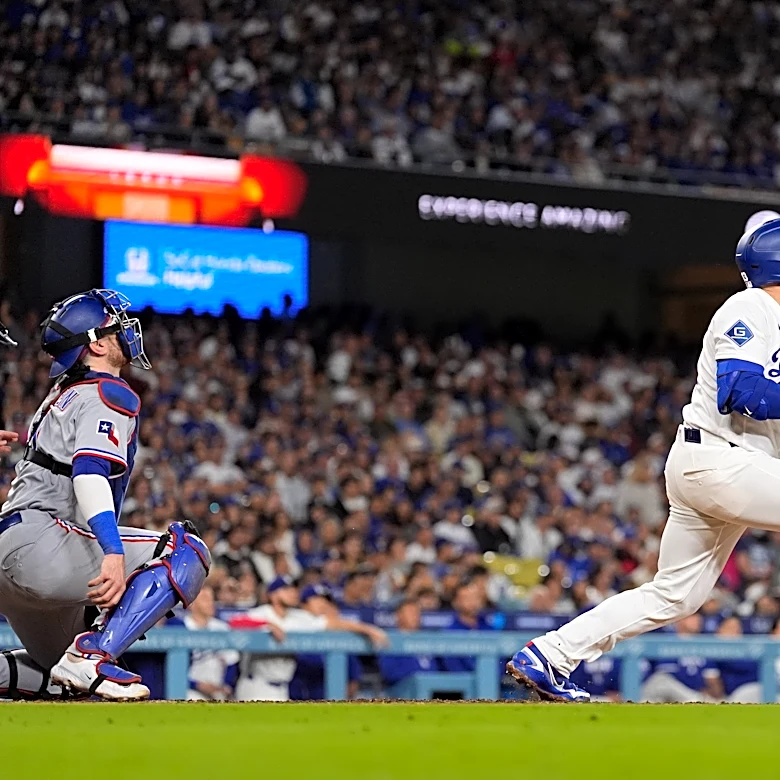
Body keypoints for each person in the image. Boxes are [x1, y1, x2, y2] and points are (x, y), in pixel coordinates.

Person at [508, 216, 780, 702]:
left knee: (677, 595)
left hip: (725, 467)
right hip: (719, 461)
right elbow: (741, 391)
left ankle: (549, 654)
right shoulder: (750, 305)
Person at [0, 289, 210, 701]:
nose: (127, 330)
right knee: (188, 550)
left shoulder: (63, 393)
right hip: (43, 544)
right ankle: (93, 654)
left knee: (66, 682)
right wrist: (112, 551)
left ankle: (77, 662)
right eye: (116, 326)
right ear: (95, 343)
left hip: (12, 551)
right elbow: (89, 474)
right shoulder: (106, 391)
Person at [231, 576, 387, 701]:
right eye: (285, 589)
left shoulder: (298, 618)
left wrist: (368, 629)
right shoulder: (262, 613)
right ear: (272, 595)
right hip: (255, 684)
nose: (292, 592)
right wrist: (267, 624)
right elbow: (235, 622)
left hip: (282, 688)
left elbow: (332, 623)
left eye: (293, 589)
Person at [167, 585, 239, 701]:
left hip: (218, 691)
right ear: (192, 604)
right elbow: (173, 670)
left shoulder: (222, 628)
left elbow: (232, 662)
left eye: (212, 599)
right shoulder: (182, 628)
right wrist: (197, 685)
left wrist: (226, 685)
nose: (211, 603)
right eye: (205, 599)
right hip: (189, 690)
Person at [378, 599, 440, 688]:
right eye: (410, 612)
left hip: (432, 688)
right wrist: (418, 677)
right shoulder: (390, 639)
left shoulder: (426, 638)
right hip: (401, 689)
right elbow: (389, 673)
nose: (415, 616)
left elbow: (436, 668)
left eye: (417, 613)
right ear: (398, 616)